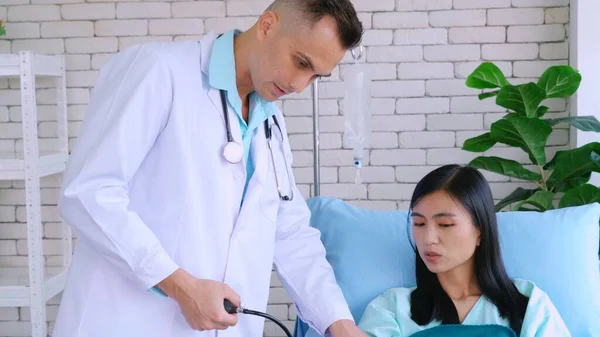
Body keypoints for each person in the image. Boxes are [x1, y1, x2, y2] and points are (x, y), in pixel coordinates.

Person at [52, 1, 367, 336]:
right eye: (300, 62)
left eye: (315, 75)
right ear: (267, 25)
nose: (300, 85)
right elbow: (89, 192)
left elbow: (290, 233)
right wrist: (180, 286)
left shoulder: (270, 121)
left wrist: (339, 324)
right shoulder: (160, 71)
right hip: (128, 321)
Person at [357, 165, 571, 337]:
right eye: (419, 224)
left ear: (480, 231)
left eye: (445, 225)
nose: (428, 239)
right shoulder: (392, 308)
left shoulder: (527, 303)